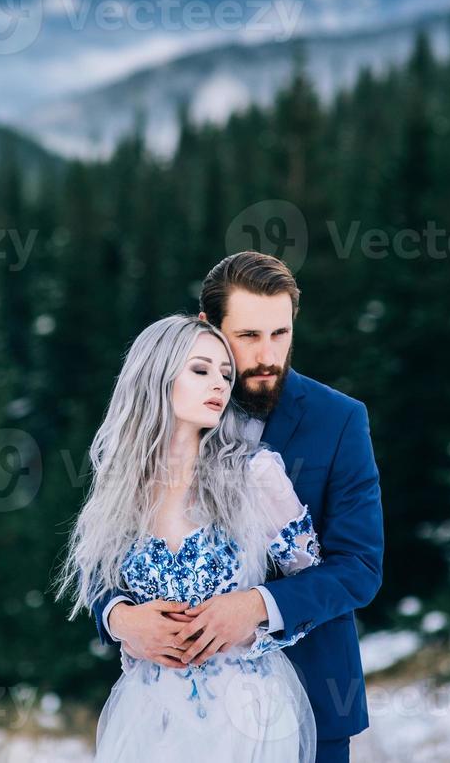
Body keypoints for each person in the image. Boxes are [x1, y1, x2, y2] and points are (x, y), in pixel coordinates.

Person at [90, 252, 384, 763]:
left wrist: (257, 607)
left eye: (281, 333)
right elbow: (101, 556)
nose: (268, 355)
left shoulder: (338, 420)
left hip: (311, 699)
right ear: (208, 326)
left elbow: (359, 567)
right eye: (248, 336)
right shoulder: (150, 438)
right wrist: (120, 618)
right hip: (167, 715)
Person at [57, 313, 323, 761]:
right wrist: (122, 620)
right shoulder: (122, 484)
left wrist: (253, 618)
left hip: (245, 711)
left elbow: (316, 582)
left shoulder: (256, 474)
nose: (219, 385)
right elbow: (96, 577)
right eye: (200, 370)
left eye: (225, 374)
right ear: (156, 376)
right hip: (148, 711)